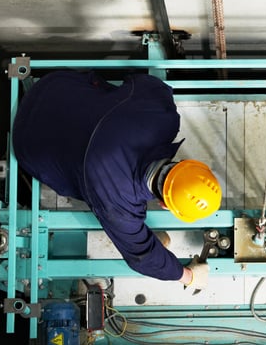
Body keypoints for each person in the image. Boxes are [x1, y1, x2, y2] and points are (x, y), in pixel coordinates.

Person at [11, 70, 220, 289]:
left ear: (186, 163)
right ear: (164, 204)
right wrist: (188, 276)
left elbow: (138, 79)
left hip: (53, 87)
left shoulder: (163, 117)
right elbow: (143, 257)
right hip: (28, 143)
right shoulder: (120, 205)